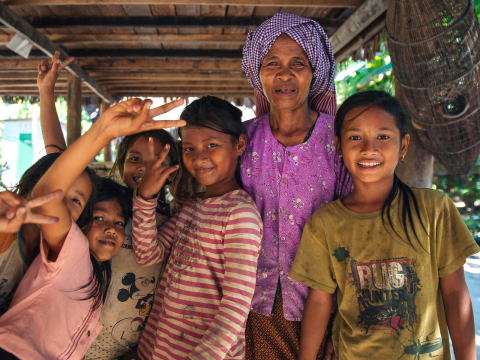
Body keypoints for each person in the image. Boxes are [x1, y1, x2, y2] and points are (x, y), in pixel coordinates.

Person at [290, 90, 479, 360]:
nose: (369, 148)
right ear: (339, 147)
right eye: (355, 137)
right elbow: (320, 301)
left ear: (403, 145)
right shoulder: (325, 223)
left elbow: (455, 292)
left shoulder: (434, 210)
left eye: (383, 137)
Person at [0, 97, 185, 359]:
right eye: (98, 218)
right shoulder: (73, 252)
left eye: (119, 223)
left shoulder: (172, 221)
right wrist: (103, 131)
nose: (146, 167)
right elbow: (54, 180)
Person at [36, 52, 183, 359]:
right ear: (120, 161)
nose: (144, 168)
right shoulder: (100, 202)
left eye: (157, 161)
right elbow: (59, 160)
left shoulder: (173, 221)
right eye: (135, 158)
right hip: (74, 344)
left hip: (128, 350)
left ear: (172, 173)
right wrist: (46, 94)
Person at [240, 12, 351, 359]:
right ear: (257, 72)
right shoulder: (241, 139)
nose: (284, 74)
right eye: (272, 62)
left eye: (297, 63)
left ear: (315, 71)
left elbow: (354, 226)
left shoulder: (339, 140)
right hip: (246, 307)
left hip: (321, 307)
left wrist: (347, 316)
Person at [131, 96, 263, 360]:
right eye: (189, 149)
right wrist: (145, 198)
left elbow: (236, 307)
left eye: (211, 145)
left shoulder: (240, 214)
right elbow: (147, 254)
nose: (199, 158)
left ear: (239, 144)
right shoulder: (191, 208)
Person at [0, 153, 97, 314]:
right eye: (56, 190)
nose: (59, 203)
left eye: (76, 201)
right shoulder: (5, 232)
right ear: (31, 186)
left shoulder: (59, 259)